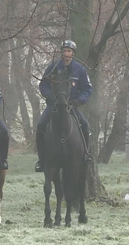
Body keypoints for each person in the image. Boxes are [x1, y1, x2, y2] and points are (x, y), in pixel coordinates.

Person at [35, 40, 93, 172]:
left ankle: (85, 155)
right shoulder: (53, 67)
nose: (66, 54)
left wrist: (78, 101)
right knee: (41, 125)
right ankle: (41, 159)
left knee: (85, 125)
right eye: (64, 51)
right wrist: (51, 96)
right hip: (54, 106)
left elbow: (87, 89)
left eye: (69, 51)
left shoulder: (80, 70)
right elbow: (43, 85)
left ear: (73, 53)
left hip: (72, 106)